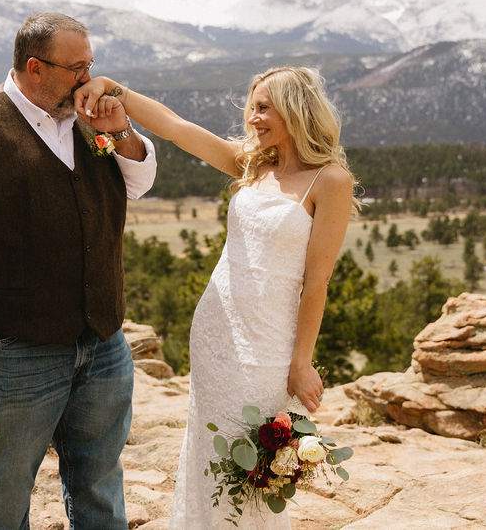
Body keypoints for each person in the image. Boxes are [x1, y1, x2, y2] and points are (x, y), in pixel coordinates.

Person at [75, 66, 356, 529]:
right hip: (216, 330)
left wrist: (301, 362)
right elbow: (175, 127)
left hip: (269, 343)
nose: (253, 117)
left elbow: (316, 282)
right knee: (209, 449)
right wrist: (113, 88)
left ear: (296, 109)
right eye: (253, 106)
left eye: (264, 107)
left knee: (252, 466)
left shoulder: (330, 181)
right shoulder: (251, 162)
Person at [0, 12, 157, 529]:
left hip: (103, 341)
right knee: (5, 481)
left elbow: (138, 182)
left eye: (90, 65)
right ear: (34, 68)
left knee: (99, 476)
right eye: (76, 68)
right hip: (17, 345)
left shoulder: (91, 120)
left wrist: (123, 133)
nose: (88, 79)